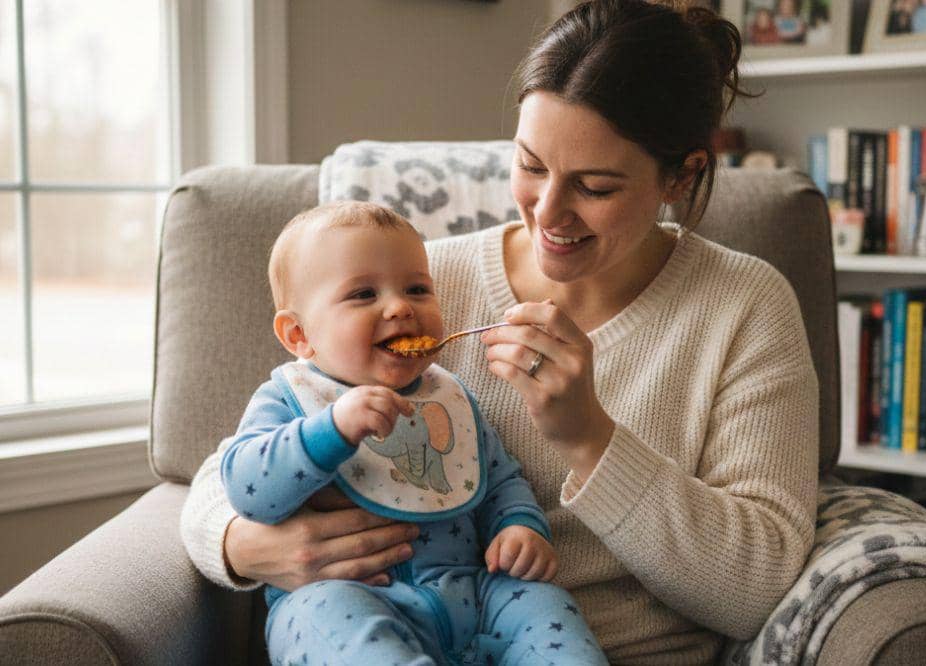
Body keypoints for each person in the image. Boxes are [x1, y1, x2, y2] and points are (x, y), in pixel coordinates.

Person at [181, 1, 820, 663]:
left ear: (680, 175)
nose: (549, 212)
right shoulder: (414, 284)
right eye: (531, 166)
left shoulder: (745, 305)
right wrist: (243, 545)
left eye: (595, 187)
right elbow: (233, 462)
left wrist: (590, 438)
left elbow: (756, 586)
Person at [219, 200, 608, 664]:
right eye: (364, 294)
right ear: (298, 335)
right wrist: (330, 430)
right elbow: (247, 487)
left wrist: (519, 526)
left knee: (542, 602)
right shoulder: (288, 399)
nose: (400, 307)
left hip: (474, 592)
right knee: (313, 615)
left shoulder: (449, 396)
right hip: (351, 595)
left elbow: (500, 479)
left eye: (418, 289)